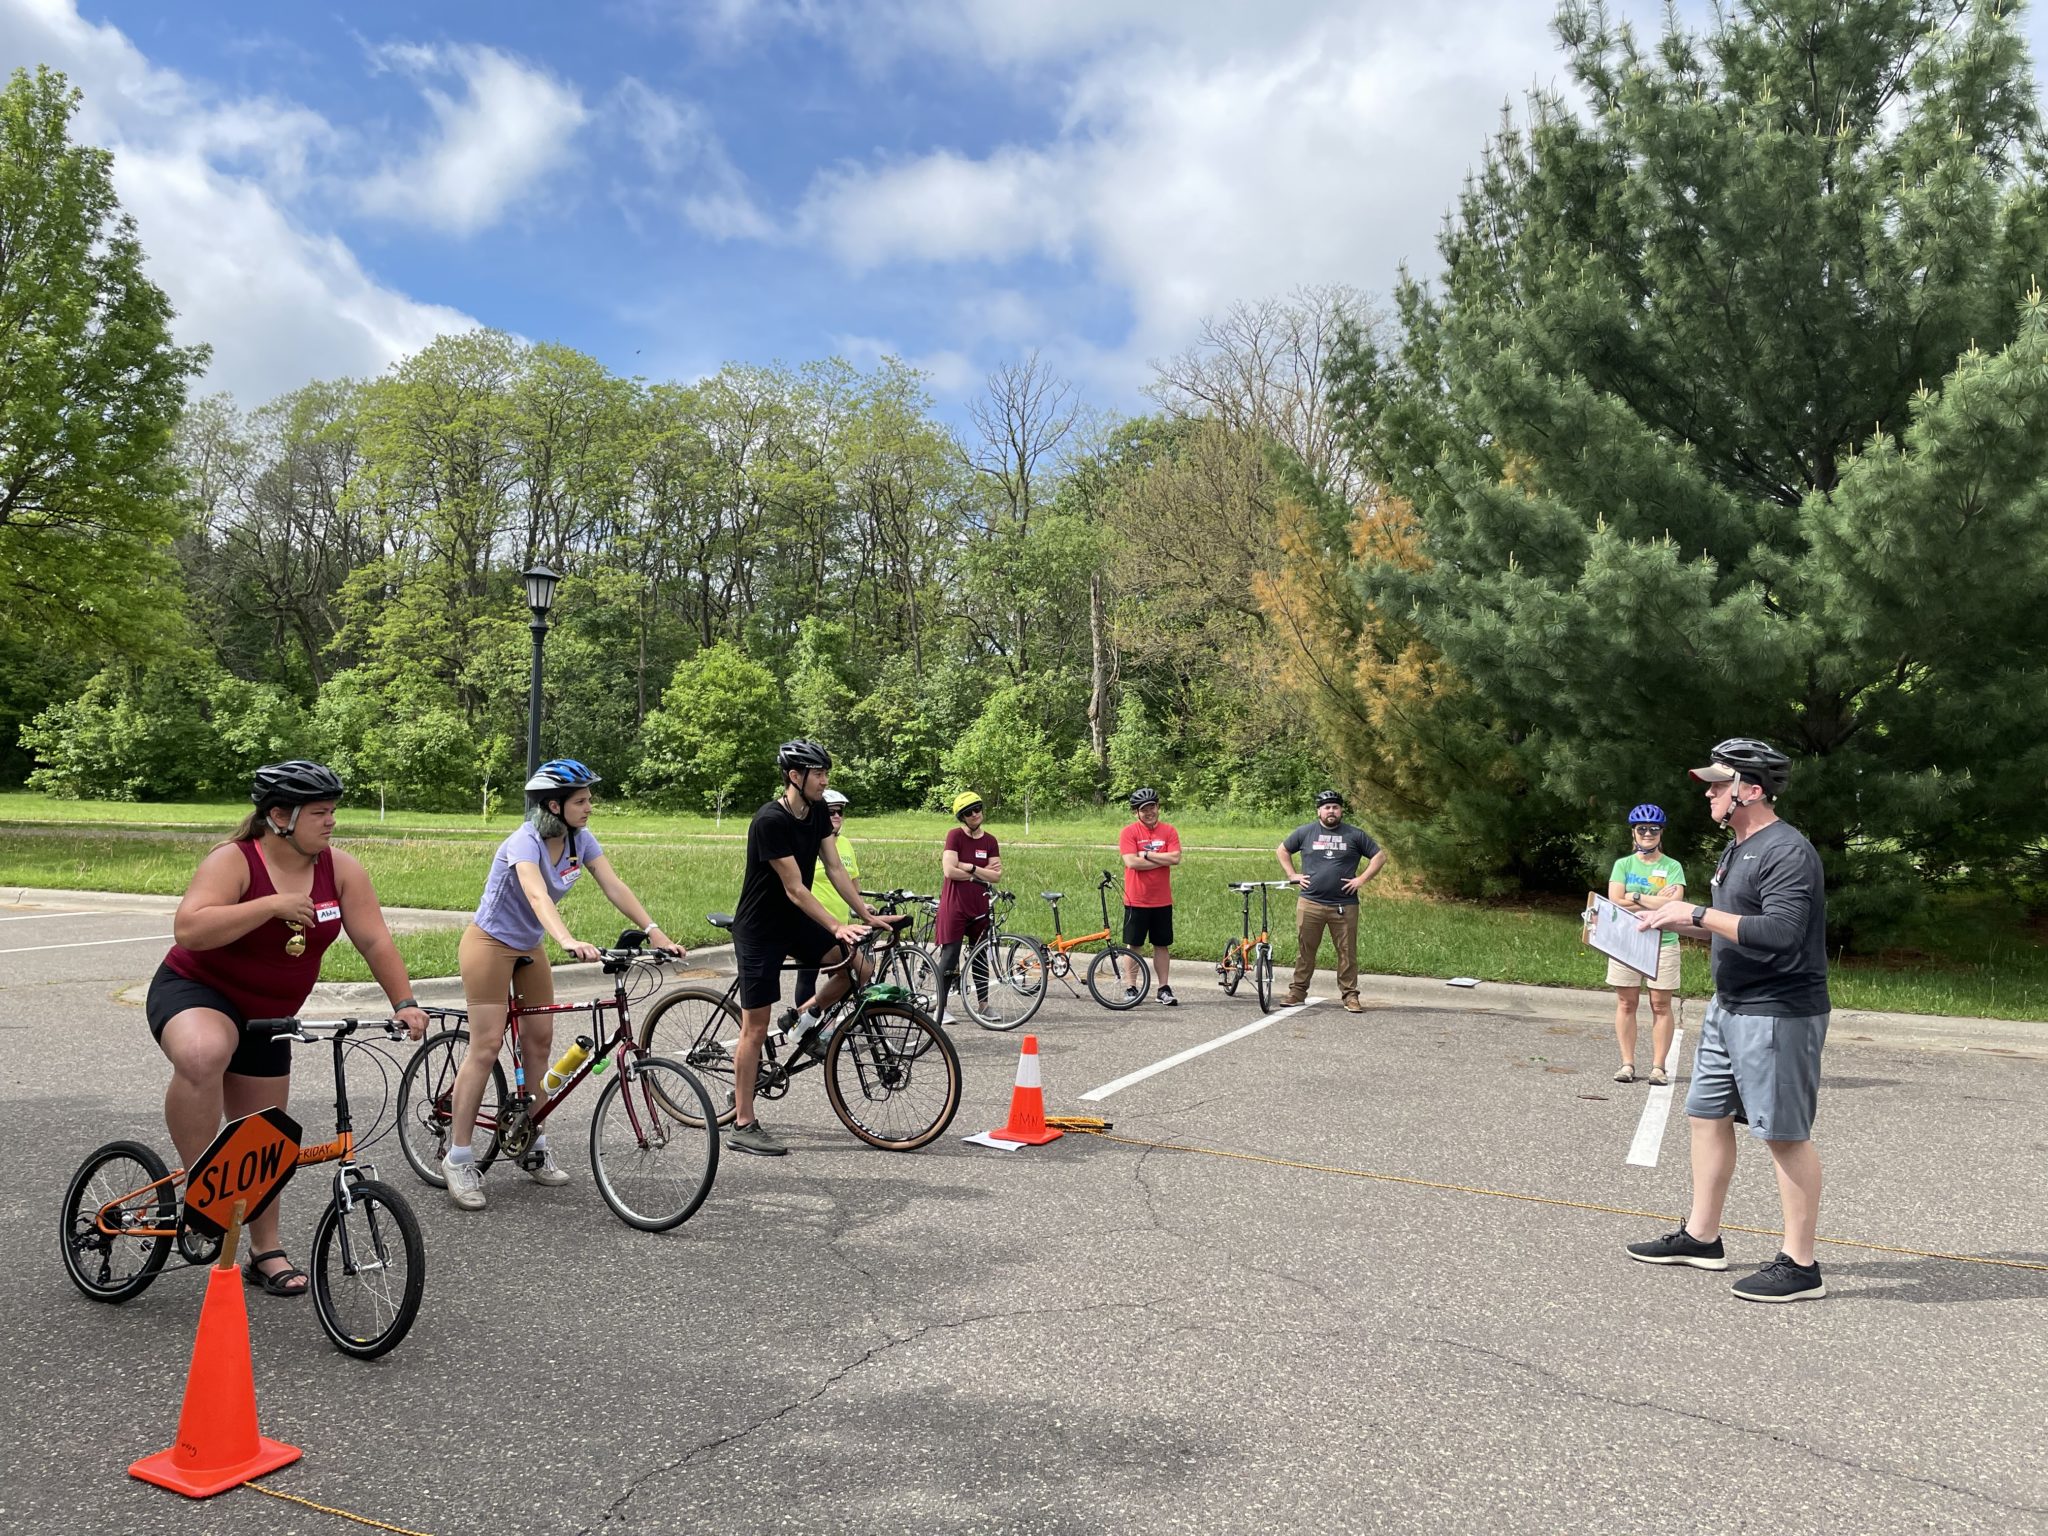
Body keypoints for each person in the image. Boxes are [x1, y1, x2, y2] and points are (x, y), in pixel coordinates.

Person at [147, 761, 430, 1295]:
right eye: (319, 813)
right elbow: (190, 928)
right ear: (279, 816)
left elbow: (374, 940)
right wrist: (271, 905)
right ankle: (200, 1193)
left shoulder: (340, 868)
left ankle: (265, 1249)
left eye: (333, 812)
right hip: (197, 991)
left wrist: (405, 1001)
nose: (331, 823)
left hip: (270, 1015)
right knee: (207, 1052)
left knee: (264, 1132)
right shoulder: (234, 861)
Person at [1627, 737, 1832, 1303]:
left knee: (1783, 1133)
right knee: (1705, 1115)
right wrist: (1658, 920)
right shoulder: (1737, 847)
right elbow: (1731, 922)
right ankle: (1702, 1236)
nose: (1711, 792)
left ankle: (1800, 1264)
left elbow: (1781, 932)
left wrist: (1694, 911)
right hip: (1729, 1005)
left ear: (1751, 789)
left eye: (1720, 783)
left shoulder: (1787, 851)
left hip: (1778, 1011)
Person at [440, 758, 683, 1211]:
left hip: (529, 947)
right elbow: (535, 894)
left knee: (538, 1043)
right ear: (554, 804)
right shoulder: (524, 842)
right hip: (489, 944)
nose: (590, 806)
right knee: (487, 1045)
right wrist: (567, 939)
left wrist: (654, 930)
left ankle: (534, 1143)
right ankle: (458, 1157)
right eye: (582, 800)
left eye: (589, 798)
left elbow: (614, 885)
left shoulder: (579, 839)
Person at [726, 740, 887, 1157]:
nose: (825, 780)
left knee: (859, 967)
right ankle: (743, 1123)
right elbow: (795, 888)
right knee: (754, 1028)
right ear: (794, 776)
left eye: (825, 773)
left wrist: (866, 917)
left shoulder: (816, 813)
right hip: (761, 929)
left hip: (794, 924)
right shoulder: (769, 820)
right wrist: (836, 924)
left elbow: (834, 868)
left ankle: (803, 1017)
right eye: (818, 773)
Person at [1275, 789, 1385, 1013]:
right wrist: (1292, 875)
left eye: (1335, 807)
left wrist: (1361, 879)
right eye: (1327, 807)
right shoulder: (1306, 832)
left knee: (1346, 951)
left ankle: (1350, 995)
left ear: (1341, 810)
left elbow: (1379, 856)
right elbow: (1282, 850)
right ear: (1319, 811)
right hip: (1310, 903)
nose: (1331, 811)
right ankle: (1297, 991)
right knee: (1306, 949)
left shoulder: (1354, 835)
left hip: (1344, 905)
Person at [1606, 804, 1685, 1085]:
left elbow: (1675, 903)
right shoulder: (1623, 865)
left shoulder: (1672, 866)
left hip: (1663, 940)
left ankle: (1658, 1067)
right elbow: (1615, 899)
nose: (1648, 833)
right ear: (1634, 832)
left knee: (1660, 1004)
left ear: (1661, 833)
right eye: (1642, 829)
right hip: (1626, 940)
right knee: (1627, 1002)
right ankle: (1627, 1064)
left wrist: (1635, 895)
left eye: (1654, 829)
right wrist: (1654, 899)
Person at [933, 789, 1002, 1022]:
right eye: (969, 812)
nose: (975, 814)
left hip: (980, 905)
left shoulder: (990, 840)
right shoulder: (954, 836)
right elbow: (948, 870)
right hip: (955, 905)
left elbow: (996, 876)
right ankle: (940, 1009)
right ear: (962, 817)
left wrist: (970, 867)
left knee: (980, 955)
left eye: (978, 809)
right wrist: (979, 874)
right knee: (950, 955)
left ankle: (983, 1006)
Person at [792, 788, 857, 1009]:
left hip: (840, 922)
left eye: (840, 811)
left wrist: (860, 906)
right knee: (807, 976)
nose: (837, 816)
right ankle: (804, 1028)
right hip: (816, 920)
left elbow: (852, 878)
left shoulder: (845, 844)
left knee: (841, 977)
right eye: (831, 812)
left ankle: (828, 1027)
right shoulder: (813, 844)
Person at [1118, 788, 1181, 1005]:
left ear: (1158, 807)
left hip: (1162, 899)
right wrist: (1159, 859)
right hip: (1136, 898)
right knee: (1134, 945)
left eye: (1152, 807)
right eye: (1144, 809)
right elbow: (1131, 862)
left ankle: (1163, 988)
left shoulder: (1169, 831)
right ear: (1136, 812)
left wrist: (1147, 854)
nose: (1149, 812)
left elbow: (1175, 858)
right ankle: (1131, 987)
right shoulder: (1129, 832)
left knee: (1161, 945)